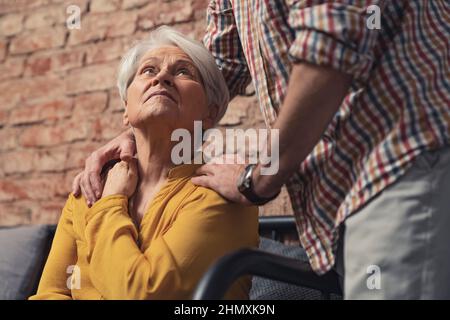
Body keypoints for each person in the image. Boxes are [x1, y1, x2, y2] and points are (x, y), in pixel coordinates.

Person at [73, 1, 450, 299]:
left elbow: (332, 38)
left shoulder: (206, 197)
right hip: (339, 202)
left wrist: (260, 178)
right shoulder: (96, 186)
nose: (161, 77)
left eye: (175, 74)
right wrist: (144, 130)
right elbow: (219, 66)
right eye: (147, 71)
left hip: (398, 158)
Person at [29, 26, 258, 300]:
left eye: (183, 72)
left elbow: (142, 293)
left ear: (210, 113)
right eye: (148, 70)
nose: (162, 77)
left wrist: (112, 201)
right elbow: (50, 293)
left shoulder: (222, 192)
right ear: (126, 109)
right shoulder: (89, 188)